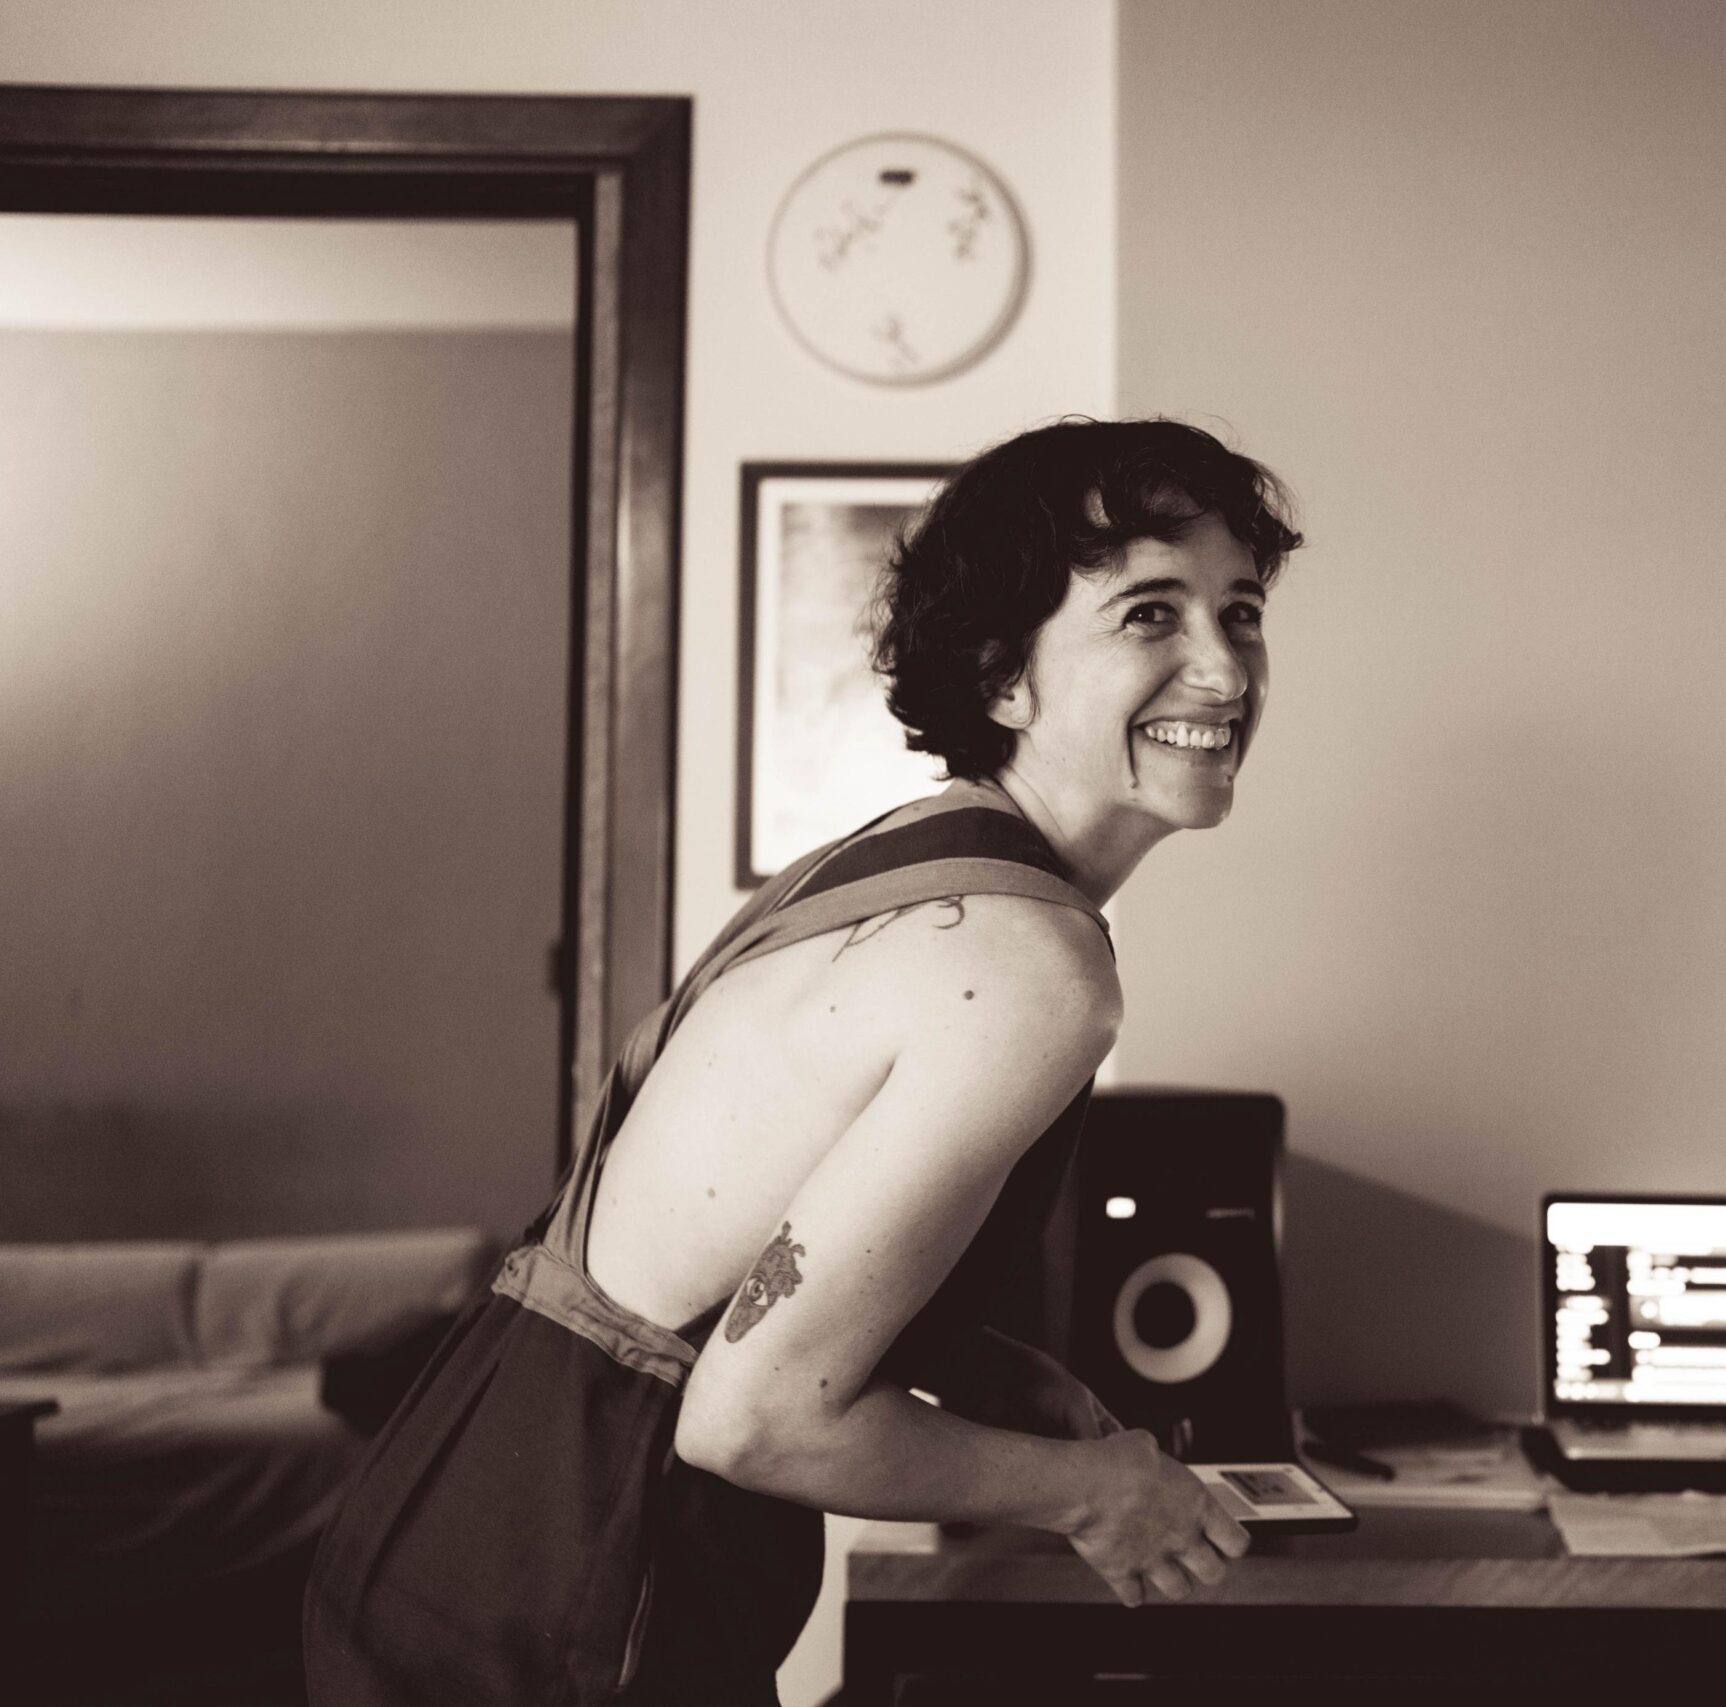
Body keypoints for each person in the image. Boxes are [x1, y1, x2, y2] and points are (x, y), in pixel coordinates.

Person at [303, 417, 1304, 1705]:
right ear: (1003, 676)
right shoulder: (1034, 969)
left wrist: (1010, 1383)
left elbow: (745, 1268)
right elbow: (755, 1418)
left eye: (1242, 612)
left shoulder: (895, 864)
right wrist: (1091, 1494)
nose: (1223, 670)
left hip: (457, 1517)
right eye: (1150, 614)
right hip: (576, 1599)